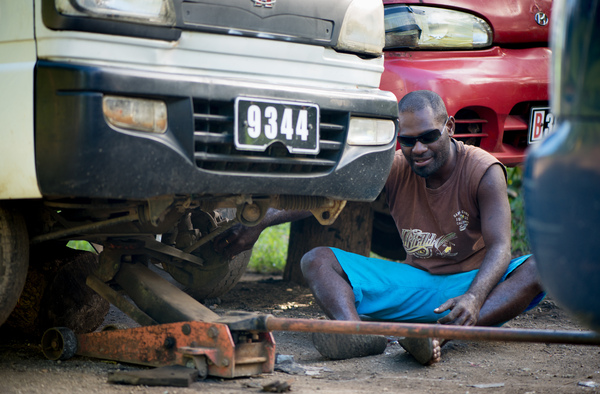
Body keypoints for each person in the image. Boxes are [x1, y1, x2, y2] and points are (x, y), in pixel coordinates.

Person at [215, 90, 545, 365]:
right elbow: (326, 194)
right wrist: (262, 221)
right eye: (408, 141)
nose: (418, 149)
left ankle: (441, 336)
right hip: (416, 284)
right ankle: (354, 335)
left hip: (475, 287)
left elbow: (501, 246)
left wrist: (473, 298)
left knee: (539, 267)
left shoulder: (484, 170)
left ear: (450, 127)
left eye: (428, 137)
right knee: (316, 260)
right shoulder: (393, 167)